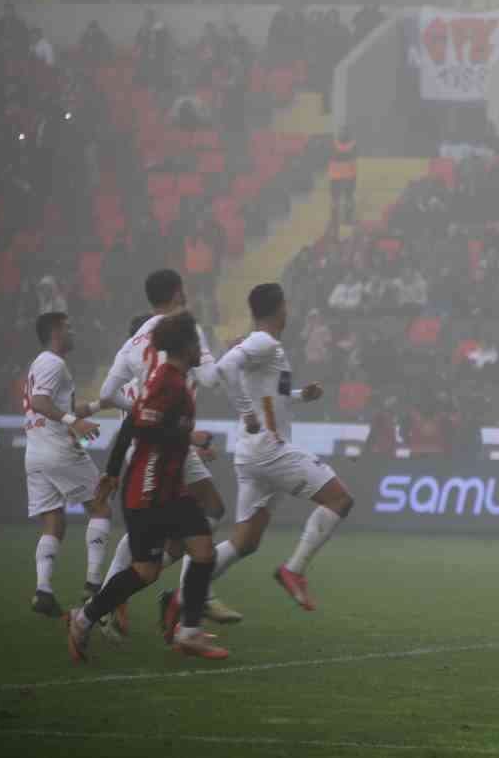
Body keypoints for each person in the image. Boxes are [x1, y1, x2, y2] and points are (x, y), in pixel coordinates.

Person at [157, 283, 348, 626]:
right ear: (279, 308)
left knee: (244, 542)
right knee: (339, 499)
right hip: (269, 450)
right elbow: (224, 369)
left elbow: (274, 394)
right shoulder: (263, 341)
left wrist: (304, 394)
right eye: (286, 305)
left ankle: (182, 597)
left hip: (252, 453)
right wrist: (244, 409)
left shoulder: (268, 347)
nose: (288, 310)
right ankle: (294, 571)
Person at [68, 312, 228, 663]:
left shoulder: (175, 381)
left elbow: (131, 425)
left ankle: (188, 631)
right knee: (146, 571)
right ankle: (84, 619)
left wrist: (110, 473)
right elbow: (142, 429)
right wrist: (190, 436)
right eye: (198, 342)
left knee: (202, 550)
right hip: (148, 491)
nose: (203, 348)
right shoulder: (166, 382)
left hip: (168, 489)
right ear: (187, 345)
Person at [95, 269, 240, 640]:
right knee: (178, 520)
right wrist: (236, 354)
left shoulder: (136, 339)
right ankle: (134, 595)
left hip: (157, 437)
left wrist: (141, 410)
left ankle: (169, 595)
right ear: (177, 292)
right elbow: (208, 378)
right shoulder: (182, 327)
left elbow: (109, 394)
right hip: (165, 442)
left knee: (202, 512)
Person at [22, 312, 111, 618]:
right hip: (58, 448)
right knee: (101, 505)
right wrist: (76, 423)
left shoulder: (42, 364)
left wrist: (100, 405)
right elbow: (39, 402)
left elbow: (58, 406)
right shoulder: (52, 362)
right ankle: (94, 585)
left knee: (54, 524)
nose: (73, 331)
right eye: (69, 327)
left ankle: (43, 591)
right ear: (56, 331)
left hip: (36, 453)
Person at [329, 127, 358, 227]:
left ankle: (335, 219)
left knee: (337, 200)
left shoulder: (333, 144)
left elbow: (332, 156)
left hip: (337, 175)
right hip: (348, 175)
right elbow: (353, 158)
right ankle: (346, 219)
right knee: (346, 199)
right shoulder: (353, 145)